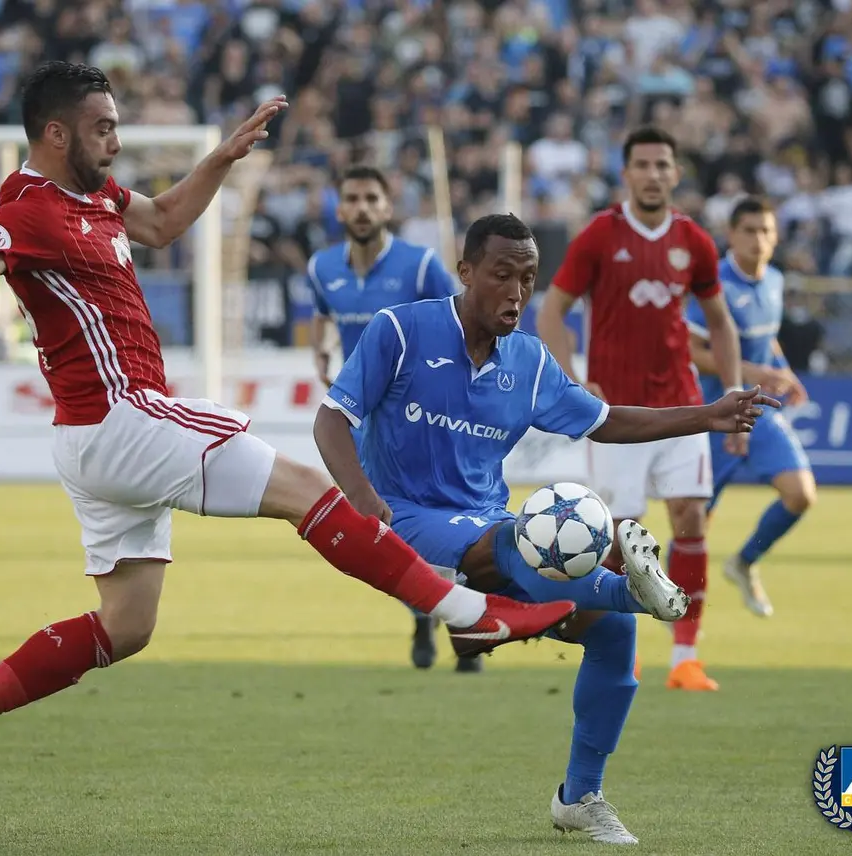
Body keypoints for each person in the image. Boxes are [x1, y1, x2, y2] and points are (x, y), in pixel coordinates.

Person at [0, 62, 580, 820]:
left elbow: (164, 221)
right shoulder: (28, 209)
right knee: (310, 491)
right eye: (103, 128)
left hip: (91, 441)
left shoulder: (97, 195)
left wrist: (222, 159)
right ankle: (468, 612)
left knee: (127, 626)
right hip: (125, 417)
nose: (116, 141)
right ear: (56, 133)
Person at [314, 213, 775, 845]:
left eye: (528, 278)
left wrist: (707, 416)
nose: (516, 292)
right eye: (502, 275)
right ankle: (629, 589)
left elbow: (605, 421)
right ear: (466, 271)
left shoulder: (528, 361)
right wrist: (363, 500)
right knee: (523, 541)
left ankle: (579, 796)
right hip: (405, 518)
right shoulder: (401, 330)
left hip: (488, 523)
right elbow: (331, 420)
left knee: (611, 635)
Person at [537, 126, 745, 693]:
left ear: (675, 173)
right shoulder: (599, 235)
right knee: (617, 537)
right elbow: (552, 312)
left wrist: (732, 391)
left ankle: (685, 657)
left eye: (662, 165)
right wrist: (573, 384)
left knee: (691, 518)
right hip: (618, 418)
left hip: (684, 408)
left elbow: (720, 322)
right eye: (643, 165)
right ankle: (618, 650)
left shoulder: (694, 241)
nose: (653, 174)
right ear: (626, 173)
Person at [307, 165, 468, 672]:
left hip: (426, 418)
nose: (361, 208)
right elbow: (322, 312)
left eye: (371, 198)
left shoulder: (420, 266)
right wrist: (321, 349)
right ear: (339, 209)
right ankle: (423, 615)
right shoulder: (321, 267)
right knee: (392, 529)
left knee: (452, 521)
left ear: (387, 207)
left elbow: (460, 319)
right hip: (365, 423)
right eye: (352, 198)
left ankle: (464, 627)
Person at [686, 197, 816, 619]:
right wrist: (752, 369)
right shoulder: (714, 283)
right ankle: (679, 604)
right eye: (749, 230)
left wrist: (785, 372)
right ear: (731, 234)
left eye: (766, 231)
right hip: (712, 413)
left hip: (759, 410)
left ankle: (744, 562)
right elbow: (693, 351)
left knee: (800, 494)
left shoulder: (774, 280)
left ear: (776, 238)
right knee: (694, 522)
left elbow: (767, 337)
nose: (758, 239)